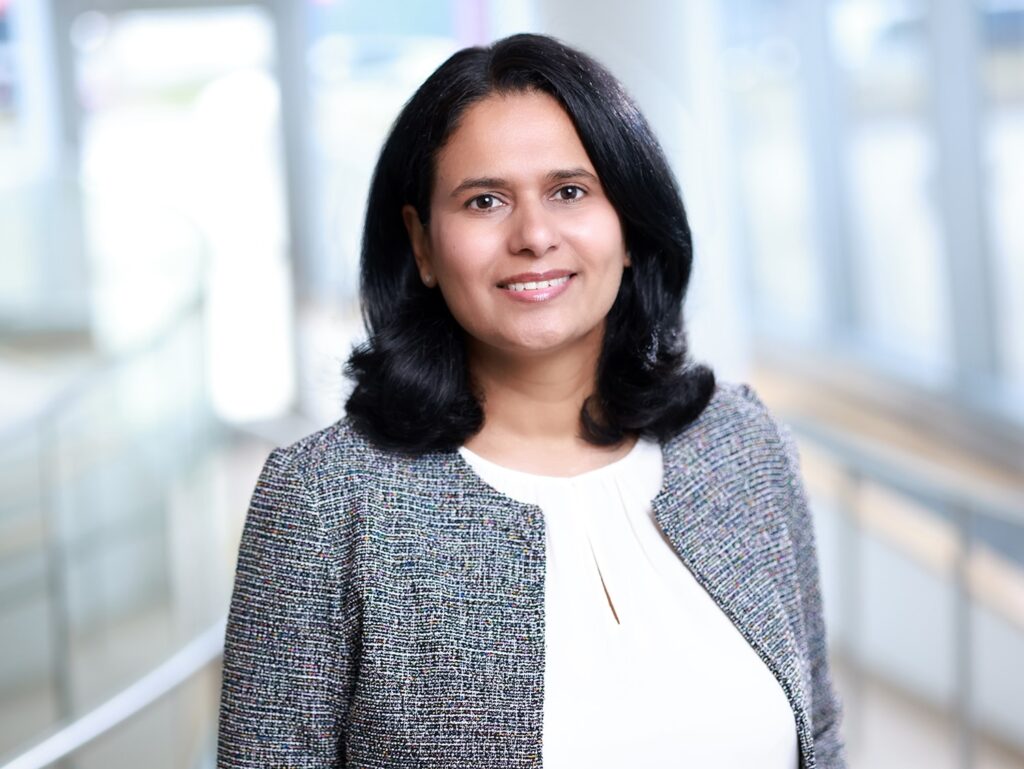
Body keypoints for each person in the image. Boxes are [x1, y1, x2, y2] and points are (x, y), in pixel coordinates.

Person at [217, 33, 845, 769]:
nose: (534, 236)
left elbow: (820, 738)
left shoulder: (741, 444)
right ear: (422, 244)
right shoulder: (325, 500)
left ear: (630, 225)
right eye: (484, 201)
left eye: (569, 191)